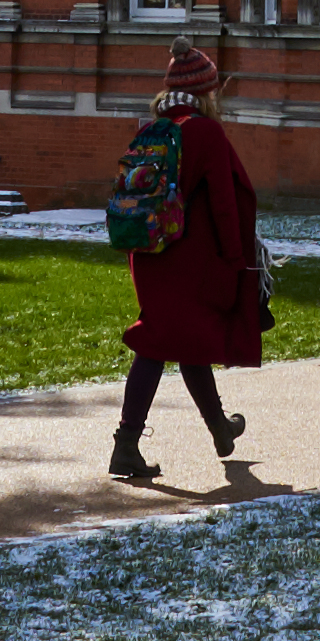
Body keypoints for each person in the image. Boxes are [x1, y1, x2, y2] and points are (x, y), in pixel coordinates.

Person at [105, 41, 268, 491]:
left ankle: (220, 428)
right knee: (159, 342)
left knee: (178, 338)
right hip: (188, 257)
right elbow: (224, 203)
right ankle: (126, 443)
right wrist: (237, 262)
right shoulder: (206, 133)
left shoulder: (155, 127)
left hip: (149, 252)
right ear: (206, 91)